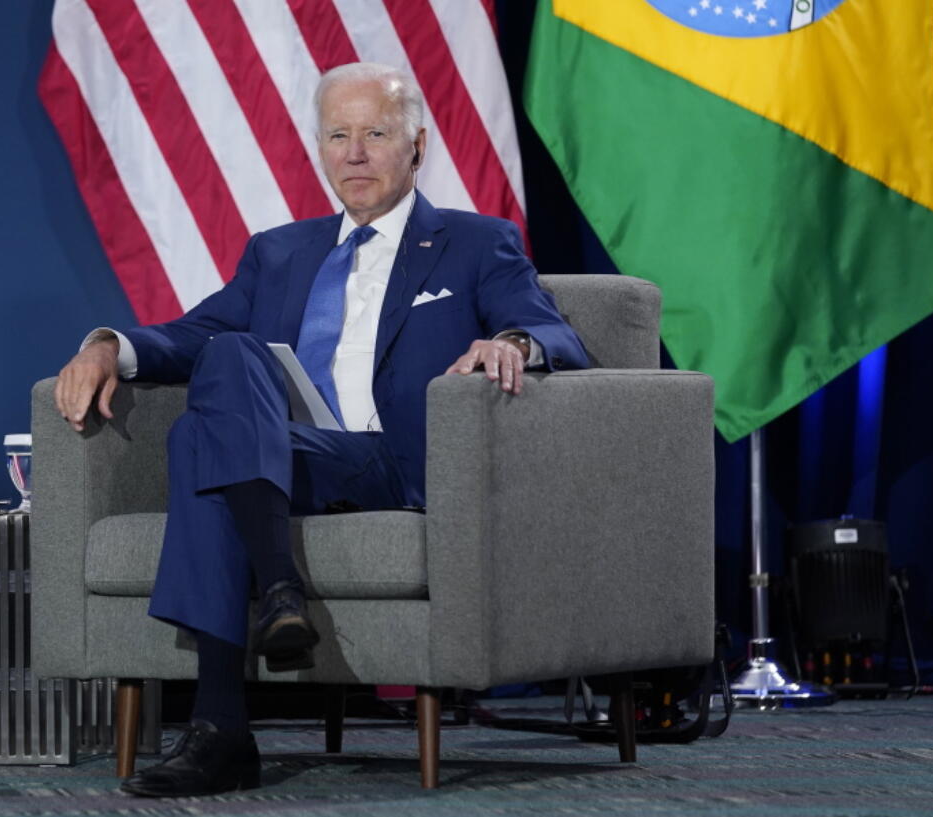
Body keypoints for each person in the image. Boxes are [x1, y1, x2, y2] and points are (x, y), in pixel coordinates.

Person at [54, 62, 592, 797]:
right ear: (320, 148)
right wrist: (110, 346)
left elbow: (552, 332)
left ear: (418, 146)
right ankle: (274, 600)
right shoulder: (279, 251)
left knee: (198, 445)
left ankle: (220, 723)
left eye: (376, 132)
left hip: (390, 461)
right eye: (338, 135)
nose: (355, 153)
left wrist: (515, 346)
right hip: (287, 453)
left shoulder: (474, 243)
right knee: (230, 357)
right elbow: (195, 333)